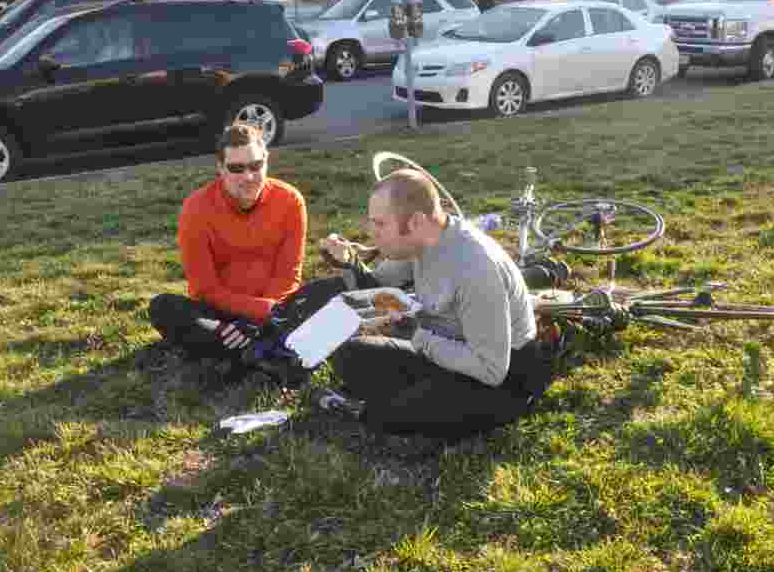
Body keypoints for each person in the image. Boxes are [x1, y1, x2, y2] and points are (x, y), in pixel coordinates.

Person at [311, 168, 550, 442]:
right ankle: (407, 393)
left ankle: (369, 411)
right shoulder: (424, 238)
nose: (372, 233)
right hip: (446, 348)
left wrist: (417, 336)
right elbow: (376, 289)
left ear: (414, 222)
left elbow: (492, 370)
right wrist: (348, 264)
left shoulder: (473, 267)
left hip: (503, 377)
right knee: (349, 355)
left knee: (400, 410)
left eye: (380, 224)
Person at [149, 123, 319, 386]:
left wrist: (261, 318)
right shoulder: (196, 208)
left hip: (273, 312)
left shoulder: (290, 201)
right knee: (164, 307)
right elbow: (204, 288)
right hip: (221, 315)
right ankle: (262, 353)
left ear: (267, 161)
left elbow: (288, 277)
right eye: (236, 168)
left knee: (319, 300)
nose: (248, 176)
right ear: (220, 168)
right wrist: (251, 316)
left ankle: (244, 352)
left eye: (256, 165)